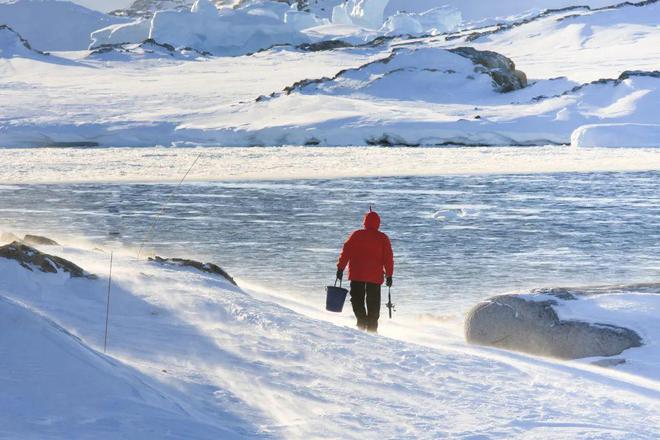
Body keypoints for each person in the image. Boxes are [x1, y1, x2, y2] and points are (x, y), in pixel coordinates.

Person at [336, 207, 394, 333]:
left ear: (365, 222)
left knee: (357, 300)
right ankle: (372, 328)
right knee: (373, 303)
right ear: (378, 223)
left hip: (357, 275)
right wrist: (389, 275)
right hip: (374, 277)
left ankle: (361, 322)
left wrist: (340, 268)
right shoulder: (383, 238)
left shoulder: (356, 235)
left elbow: (345, 252)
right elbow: (388, 259)